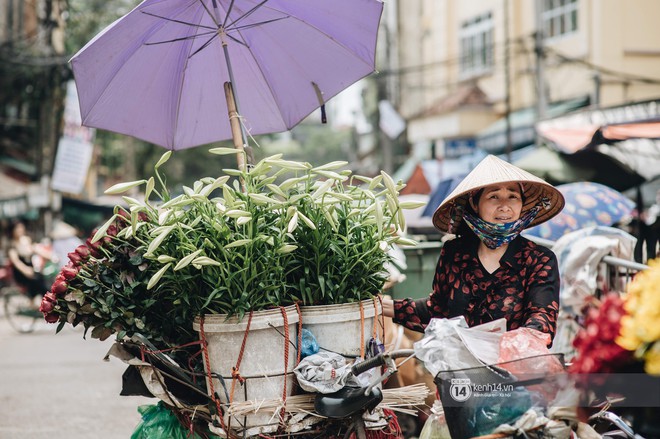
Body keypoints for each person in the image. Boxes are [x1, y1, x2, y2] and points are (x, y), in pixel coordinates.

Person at [382, 155, 566, 344]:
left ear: (521, 204)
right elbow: (437, 311)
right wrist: (383, 307)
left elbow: (542, 319)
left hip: (515, 365)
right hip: (460, 368)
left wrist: (517, 342)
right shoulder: (454, 253)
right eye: (493, 196)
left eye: (513, 196)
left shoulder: (539, 259)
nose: (504, 206)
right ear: (475, 204)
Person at [7, 221, 53, 298]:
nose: (20, 230)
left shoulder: (26, 240)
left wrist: (48, 256)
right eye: (17, 228)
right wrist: (26, 270)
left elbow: (36, 249)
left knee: (41, 279)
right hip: (21, 272)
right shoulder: (12, 245)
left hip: (32, 270)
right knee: (39, 283)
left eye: (21, 227)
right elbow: (16, 262)